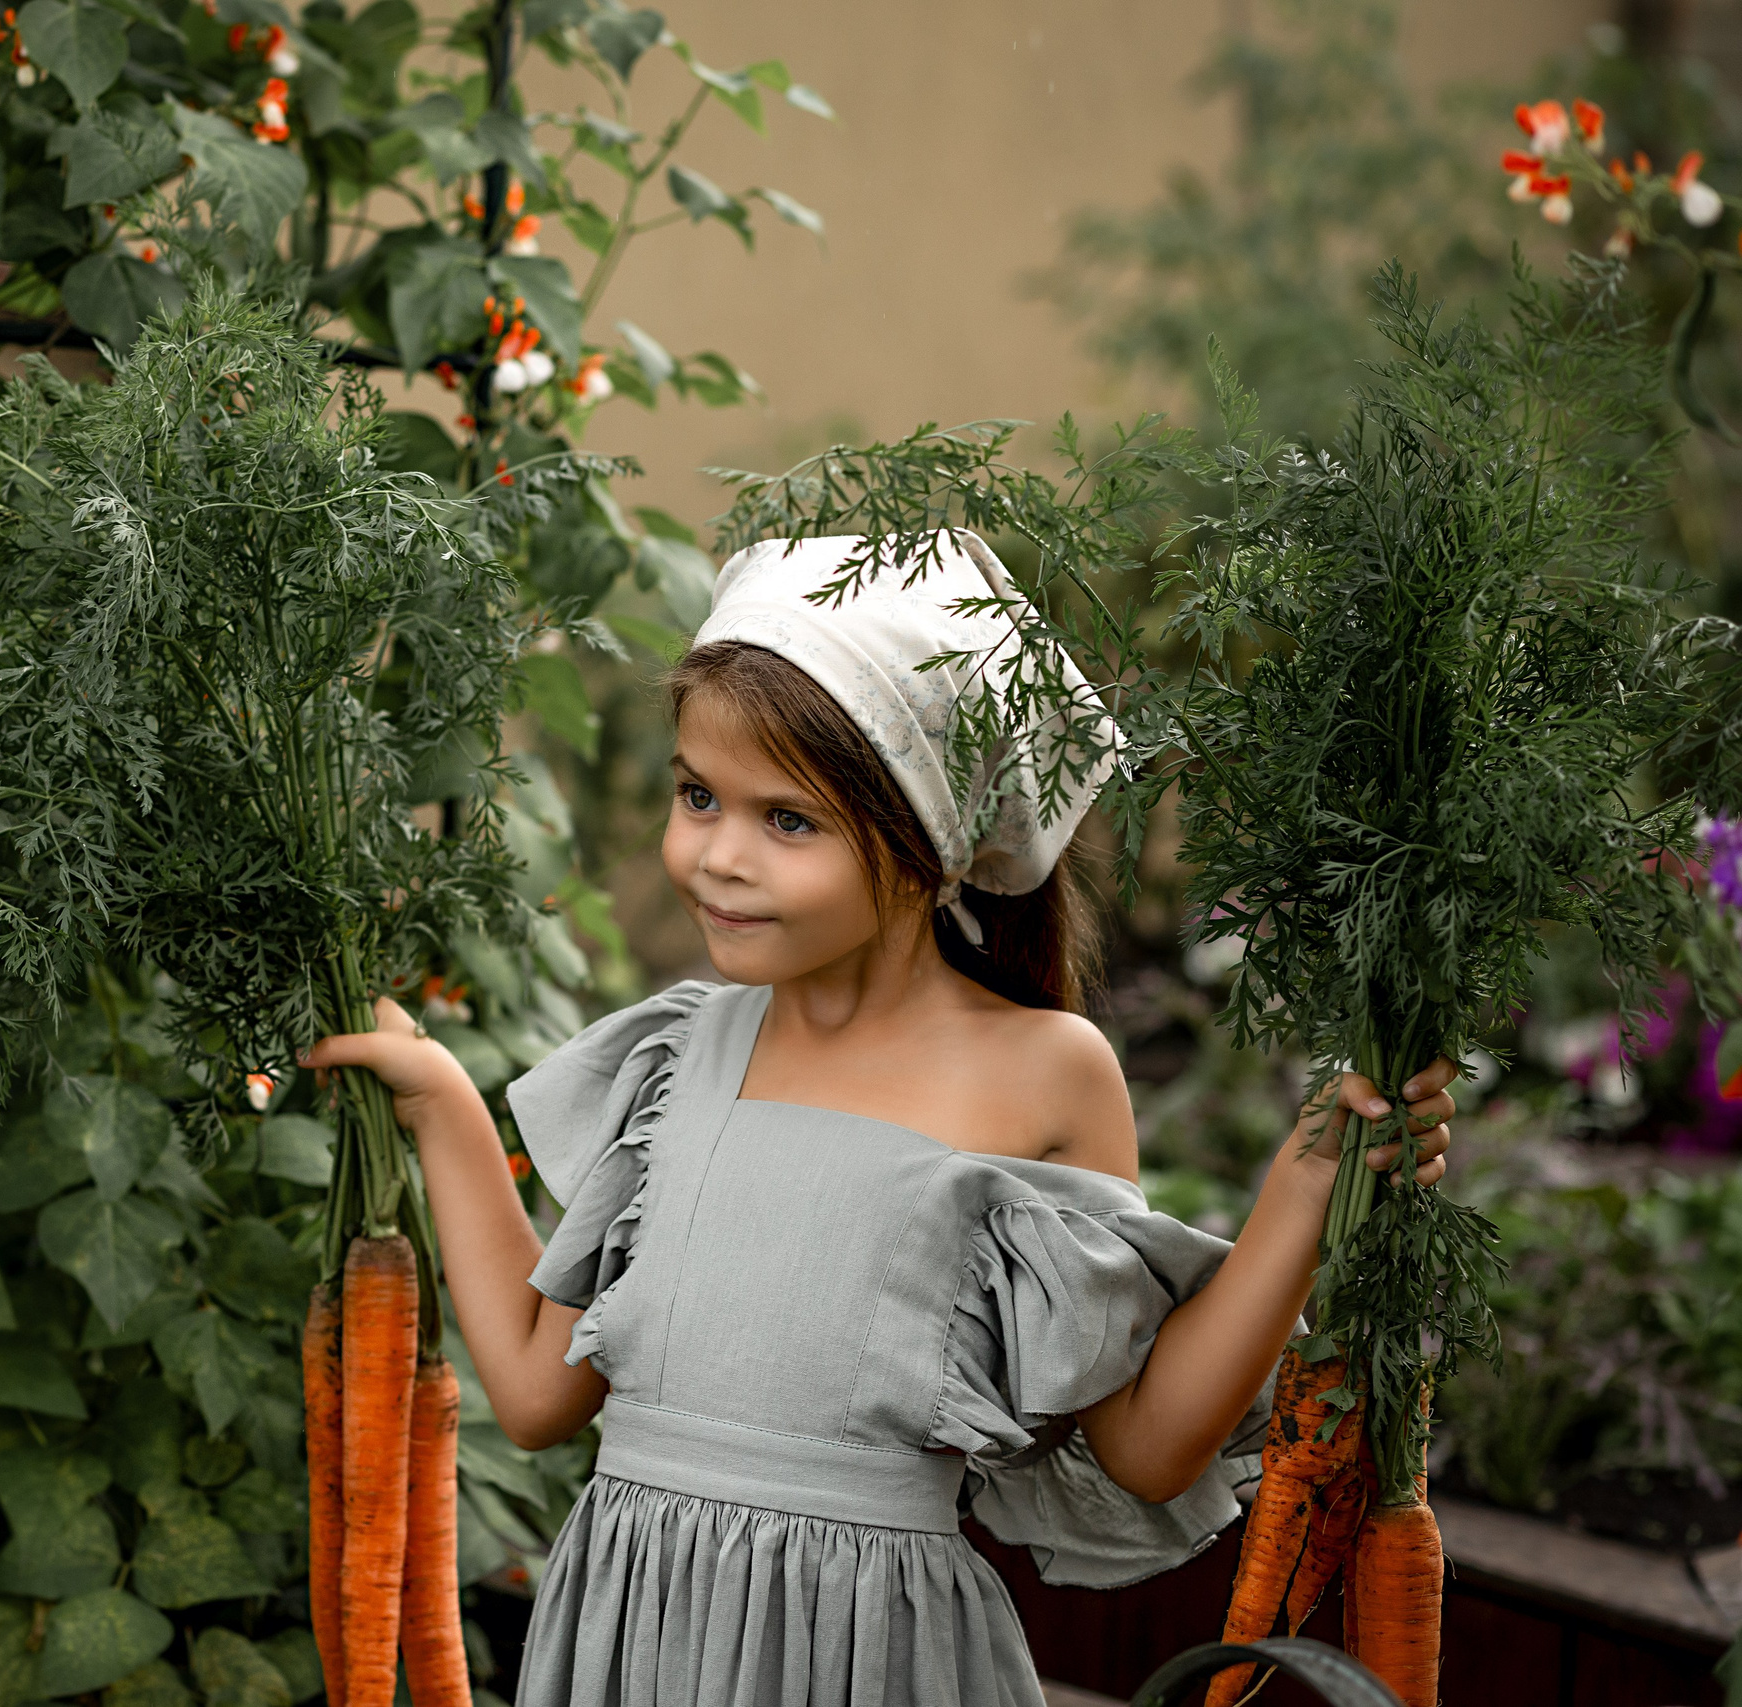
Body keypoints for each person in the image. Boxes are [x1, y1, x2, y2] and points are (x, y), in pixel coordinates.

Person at [299, 532, 1459, 1707]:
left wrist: (1304, 1194)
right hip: (625, 1645)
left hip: (866, 1661)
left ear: (931, 840)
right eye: (698, 796)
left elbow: (1145, 1449)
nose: (717, 856)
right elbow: (542, 1395)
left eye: (786, 821)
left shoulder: (1044, 1070)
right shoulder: (679, 1058)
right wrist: (444, 1105)